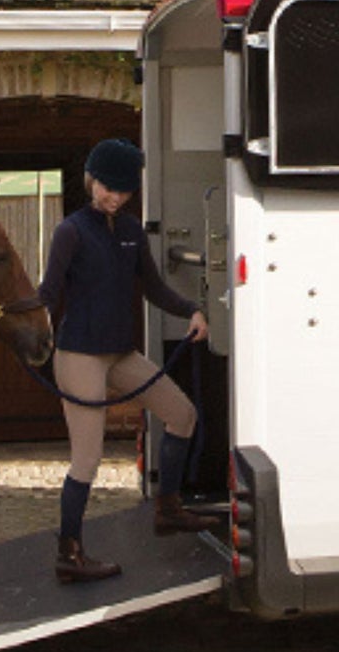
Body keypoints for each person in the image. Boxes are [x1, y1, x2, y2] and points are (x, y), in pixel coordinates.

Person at [37, 137, 213, 583]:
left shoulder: (132, 231)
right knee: (87, 459)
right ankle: (69, 554)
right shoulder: (71, 231)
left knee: (182, 414)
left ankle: (168, 509)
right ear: (90, 180)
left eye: (122, 190)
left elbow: (153, 288)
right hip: (79, 355)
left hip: (120, 353)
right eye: (106, 186)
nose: (112, 196)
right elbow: (48, 295)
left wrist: (191, 310)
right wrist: (26, 330)